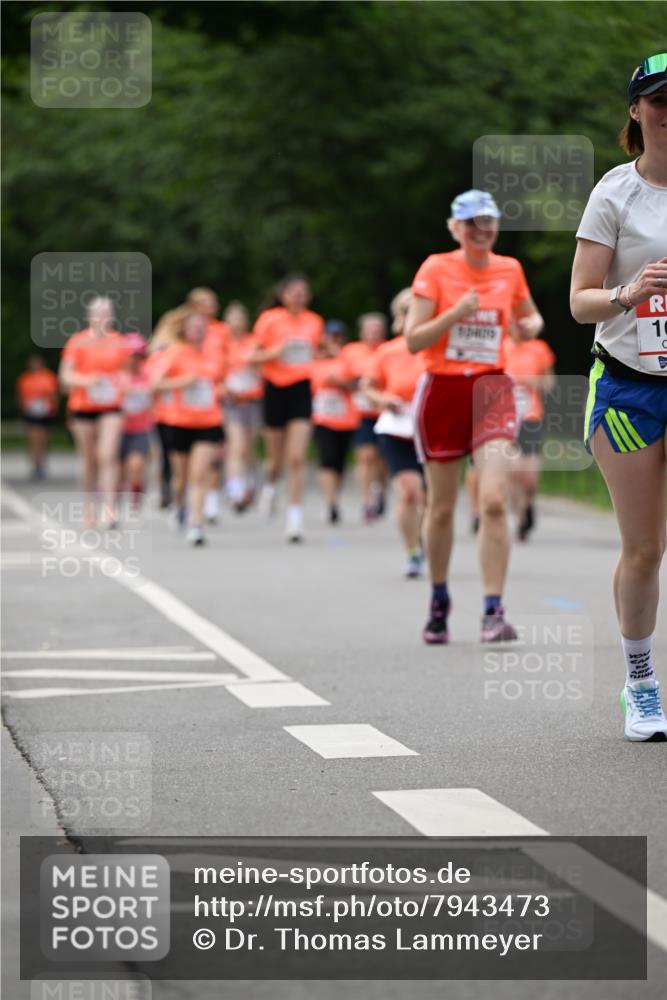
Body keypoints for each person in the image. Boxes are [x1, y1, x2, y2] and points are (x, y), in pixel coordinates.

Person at [570, 52, 667, 741]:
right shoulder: (614, 193)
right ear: (635, 111)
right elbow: (578, 302)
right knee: (644, 548)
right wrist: (628, 294)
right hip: (629, 387)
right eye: (659, 99)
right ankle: (640, 686)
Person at [405, 189, 544, 644]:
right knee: (441, 508)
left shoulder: (510, 269)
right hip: (443, 390)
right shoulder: (435, 268)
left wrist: (530, 326)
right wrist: (455, 313)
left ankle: (492, 610)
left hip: (493, 388)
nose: (481, 231)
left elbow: (530, 316)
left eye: (488, 223)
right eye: (472, 224)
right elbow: (413, 340)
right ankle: (439, 598)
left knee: (493, 500)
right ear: (456, 228)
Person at [250, 273, 324, 542]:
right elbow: (252, 356)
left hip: (301, 389)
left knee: (297, 457)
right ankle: (270, 486)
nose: (299, 296)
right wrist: (276, 352)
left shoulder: (314, 322)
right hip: (274, 388)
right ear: (283, 295)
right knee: (275, 460)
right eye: (294, 291)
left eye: (303, 292)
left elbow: (319, 350)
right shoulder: (270, 320)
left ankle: (295, 518)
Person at [362, 289, 426, 577]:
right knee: (410, 493)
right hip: (396, 428)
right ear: (397, 317)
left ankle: (425, 539)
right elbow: (367, 386)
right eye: (404, 309)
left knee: (430, 500)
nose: (410, 314)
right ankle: (412, 551)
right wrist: (383, 399)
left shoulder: (436, 347)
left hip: (430, 431)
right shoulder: (387, 351)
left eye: (416, 308)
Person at [150, 309, 225, 546]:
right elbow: (154, 384)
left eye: (202, 327)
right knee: (181, 477)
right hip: (179, 422)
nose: (199, 331)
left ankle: (196, 523)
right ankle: (179, 504)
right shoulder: (174, 354)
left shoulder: (214, 356)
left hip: (208, 421)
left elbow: (221, 381)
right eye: (194, 327)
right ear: (184, 331)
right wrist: (183, 382)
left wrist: (223, 390)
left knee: (199, 474)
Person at [59, 296, 128, 528]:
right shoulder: (77, 342)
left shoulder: (119, 342)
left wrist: (120, 384)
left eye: (107, 312)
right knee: (89, 459)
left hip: (111, 407)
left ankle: (110, 509)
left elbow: (128, 374)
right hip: (83, 407)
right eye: (98, 312)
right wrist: (88, 380)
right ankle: (89, 506)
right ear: (89, 316)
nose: (102, 317)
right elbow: (65, 376)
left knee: (108, 456)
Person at [503, 335, 556, 541]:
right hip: (505, 416)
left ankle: (528, 503)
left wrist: (534, 381)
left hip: (531, 417)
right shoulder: (501, 346)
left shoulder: (538, 348)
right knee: (514, 470)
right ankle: (519, 517)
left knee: (530, 477)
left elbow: (549, 382)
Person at [186, 287, 231, 525]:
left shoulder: (222, 331)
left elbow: (229, 362)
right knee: (183, 466)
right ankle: (181, 499)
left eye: (213, 302)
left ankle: (210, 503)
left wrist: (224, 384)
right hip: (180, 413)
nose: (211, 306)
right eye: (205, 302)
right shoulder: (179, 331)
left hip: (212, 405)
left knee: (215, 455)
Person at [341, 313, 388, 521]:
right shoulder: (351, 351)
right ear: (362, 332)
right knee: (365, 456)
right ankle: (367, 500)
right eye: (370, 329)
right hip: (361, 413)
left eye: (377, 329)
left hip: (385, 412)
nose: (374, 333)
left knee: (382, 459)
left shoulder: (389, 351)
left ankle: (379, 489)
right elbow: (343, 378)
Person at [311, 320, 359, 523]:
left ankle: (334, 497)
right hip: (322, 418)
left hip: (345, 418)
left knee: (339, 463)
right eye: (331, 336)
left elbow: (358, 383)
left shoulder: (348, 358)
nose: (334, 340)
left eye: (338, 336)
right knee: (327, 459)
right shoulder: (314, 360)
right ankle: (330, 503)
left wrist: (341, 383)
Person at [222, 301, 263, 512]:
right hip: (231, 401)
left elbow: (261, 367)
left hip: (252, 400)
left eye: (241, 319)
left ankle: (249, 483)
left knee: (249, 448)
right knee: (236, 445)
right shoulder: (222, 344)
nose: (237, 324)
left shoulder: (253, 342)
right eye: (233, 320)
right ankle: (235, 490)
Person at [119, 333, 153, 510]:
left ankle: (136, 492)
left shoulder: (148, 373)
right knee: (119, 467)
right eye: (132, 355)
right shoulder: (118, 374)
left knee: (136, 464)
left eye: (139, 355)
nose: (135, 359)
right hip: (119, 428)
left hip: (141, 427)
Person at [16, 354, 59, 480]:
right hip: (31, 413)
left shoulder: (48, 377)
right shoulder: (24, 379)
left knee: (44, 439)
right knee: (34, 438)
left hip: (46, 412)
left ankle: (42, 461)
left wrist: (53, 408)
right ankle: (36, 464)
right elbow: (19, 395)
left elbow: (54, 394)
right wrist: (24, 408)